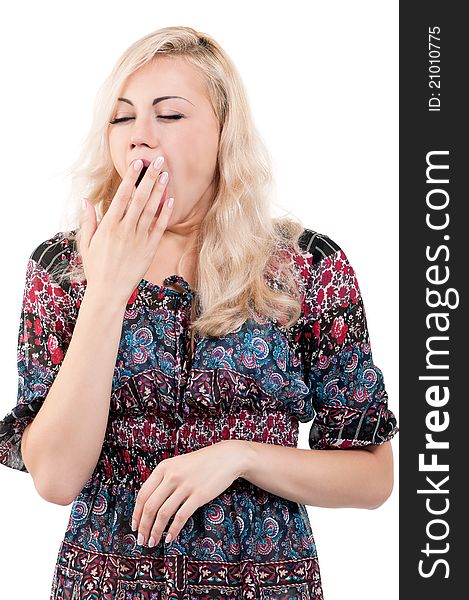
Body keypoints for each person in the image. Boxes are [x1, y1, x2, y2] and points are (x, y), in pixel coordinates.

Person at [0, 26, 398, 599]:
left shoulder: (306, 267)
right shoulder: (65, 268)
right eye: (122, 117)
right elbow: (57, 479)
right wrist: (107, 291)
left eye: (170, 115)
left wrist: (240, 458)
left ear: (223, 133)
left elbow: (372, 478)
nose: (140, 138)